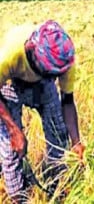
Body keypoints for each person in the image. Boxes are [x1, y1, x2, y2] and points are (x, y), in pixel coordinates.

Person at [0, 20, 85, 202]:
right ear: (33, 55)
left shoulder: (63, 59)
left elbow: (67, 102)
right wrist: (14, 130)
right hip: (10, 84)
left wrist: (76, 142)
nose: (57, 78)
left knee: (59, 135)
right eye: (51, 73)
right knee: (11, 148)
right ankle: (18, 196)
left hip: (43, 85)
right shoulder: (10, 54)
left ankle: (57, 183)